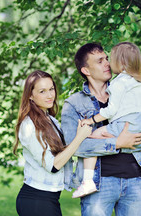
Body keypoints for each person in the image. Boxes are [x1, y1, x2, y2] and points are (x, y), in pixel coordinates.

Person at [61, 43, 141, 216]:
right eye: (100, 61)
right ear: (86, 70)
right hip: (99, 185)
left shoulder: (129, 91)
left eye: (107, 58)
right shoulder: (74, 104)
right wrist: (116, 143)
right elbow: (75, 147)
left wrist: (122, 143)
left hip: (135, 181)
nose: (107, 63)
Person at [13, 70, 92, 216]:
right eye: (42, 91)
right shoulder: (29, 125)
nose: (50, 95)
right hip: (36, 199)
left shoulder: (50, 120)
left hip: (49, 199)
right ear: (30, 95)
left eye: (51, 89)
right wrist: (79, 138)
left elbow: (63, 152)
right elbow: (53, 165)